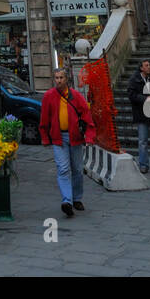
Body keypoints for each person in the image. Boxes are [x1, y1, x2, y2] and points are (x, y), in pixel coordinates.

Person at [38, 67, 97, 216]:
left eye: (61, 78)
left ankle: (77, 198)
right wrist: (45, 137)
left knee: (77, 169)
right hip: (59, 138)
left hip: (75, 137)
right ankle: (67, 201)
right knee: (63, 169)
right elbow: (44, 119)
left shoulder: (76, 97)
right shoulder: (48, 96)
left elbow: (87, 118)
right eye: (56, 78)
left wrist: (89, 137)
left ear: (67, 79)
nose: (58, 80)